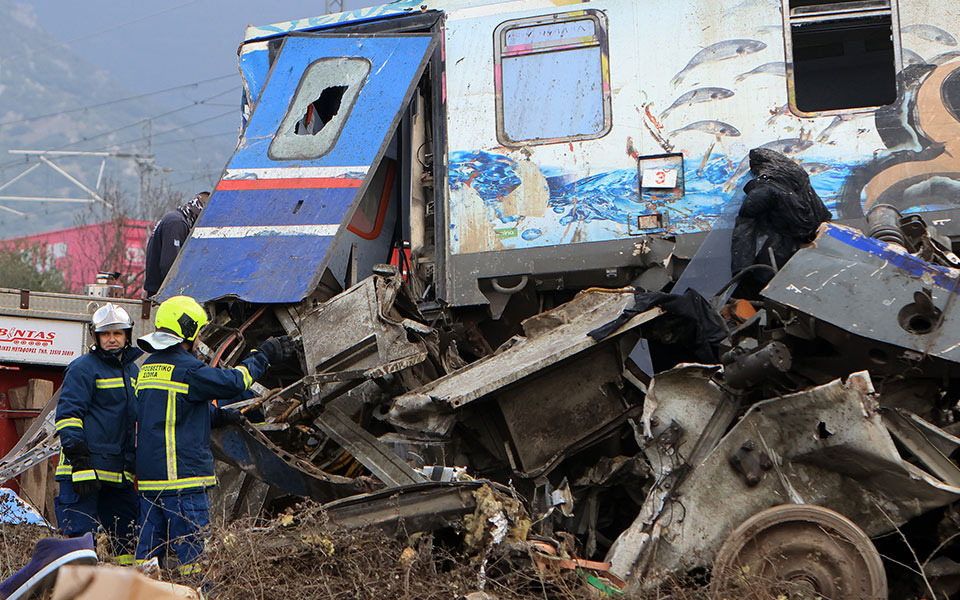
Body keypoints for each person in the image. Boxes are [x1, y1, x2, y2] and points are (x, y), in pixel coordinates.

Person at [134, 295, 295, 574]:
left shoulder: (148, 367)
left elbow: (171, 410)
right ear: (188, 330)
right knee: (194, 561)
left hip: (150, 482)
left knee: (148, 560)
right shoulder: (188, 369)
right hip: (182, 481)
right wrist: (264, 355)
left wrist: (218, 416)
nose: (199, 339)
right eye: (198, 332)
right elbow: (235, 382)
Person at [54, 303, 141, 565]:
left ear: (128, 335)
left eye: (118, 333)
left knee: (128, 544)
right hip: (83, 472)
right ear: (96, 337)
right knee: (80, 546)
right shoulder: (83, 368)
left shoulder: (133, 372)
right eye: (105, 334)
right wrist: (79, 463)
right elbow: (68, 416)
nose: (112, 339)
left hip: (118, 475)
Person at [142, 192, 209, 298]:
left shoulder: (174, 218)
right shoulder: (177, 223)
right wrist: (179, 293)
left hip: (157, 292)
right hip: (163, 296)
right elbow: (169, 266)